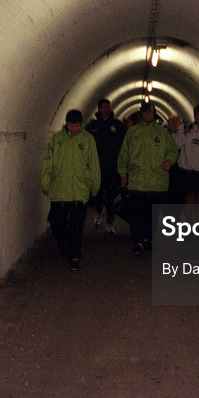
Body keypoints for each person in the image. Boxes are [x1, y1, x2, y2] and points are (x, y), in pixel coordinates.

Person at [41, 109, 101, 271]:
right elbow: (48, 161)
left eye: (77, 126)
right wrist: (45, 182)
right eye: (71, 125)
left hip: (79, 190)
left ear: (81, 125)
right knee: (56, 223)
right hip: (60, 189)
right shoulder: (57, 139)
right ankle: (63, 243)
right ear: (66, 124)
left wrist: (95, 187)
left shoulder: (87, 140)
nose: (74, 129)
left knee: (76, 225)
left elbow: (94, 164)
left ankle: (75, 255)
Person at [117, 102, 179, 257]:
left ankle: (149, 240)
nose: (147, 115)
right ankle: (137, 242)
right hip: (137, 182)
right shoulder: (132, 133)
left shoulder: (163, 133)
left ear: (154, 113)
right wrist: (123, 178)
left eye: (150, 112)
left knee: (153, 215)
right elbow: (123, 156)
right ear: (141, 114)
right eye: (144, 112)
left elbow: (173, 150)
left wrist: (168, 161)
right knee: (137, 214)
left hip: (157, 183)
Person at [85, 98, 126, 234]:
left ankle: (109, 222)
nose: (106, 110)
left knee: (112, 195)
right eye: (104, 108)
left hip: (113, 167)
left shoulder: (118, 126)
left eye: (108, 108)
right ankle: (99, 210)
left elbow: (124, 145)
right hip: (96, 167)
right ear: (99, 109)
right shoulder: (92, 126)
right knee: (97, 192)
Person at [169, 104, 199, 220]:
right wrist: (184, 133)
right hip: (186, 170)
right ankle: (189, 227)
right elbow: (176, 144)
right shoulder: (186, 128)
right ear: (194, 115)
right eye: (197, 114)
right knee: (189, 199)